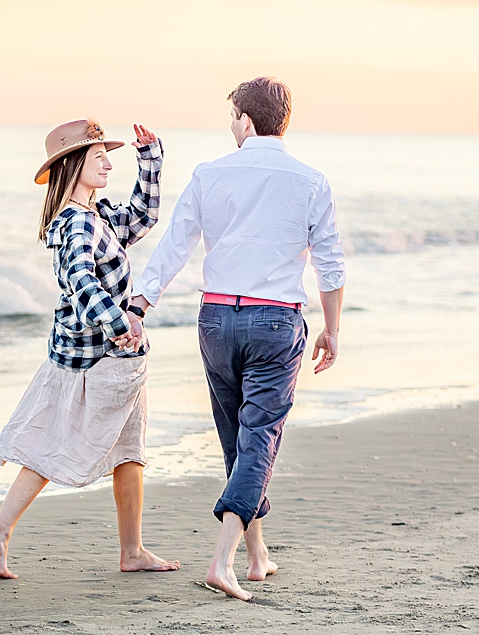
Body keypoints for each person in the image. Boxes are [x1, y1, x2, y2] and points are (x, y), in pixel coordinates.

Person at [133, 76, 345, 602]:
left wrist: (141, 302)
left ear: (245, 121)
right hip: (275, 321)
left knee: (239, 439)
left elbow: (174, 247)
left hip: (216, 320)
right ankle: (224, 559)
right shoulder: (311, 181)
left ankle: (256, 556)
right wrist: (333, 329)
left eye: (232, 117)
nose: (231, 126)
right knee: (259, 439)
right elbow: (331, 266)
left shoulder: (210, 174)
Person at [0, 119, 179, 580]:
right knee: (66, 445)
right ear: (73, 166)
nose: (109, 162)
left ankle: (127, 549)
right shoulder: (76, 225)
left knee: (124, 449)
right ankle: (6, 530)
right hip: (105, 358)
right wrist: (118, 325)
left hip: (98, 355)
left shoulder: (99, 215)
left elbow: (143, 218)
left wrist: (150, 161)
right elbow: (80, 282)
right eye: (98, 157)